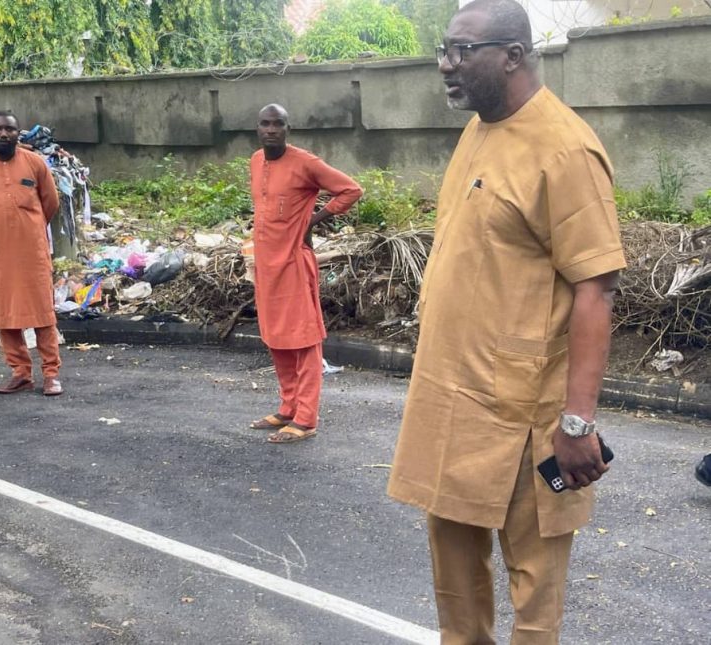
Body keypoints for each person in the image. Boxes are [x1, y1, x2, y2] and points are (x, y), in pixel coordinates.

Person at [387, 1, 627, 642]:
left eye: (462, 51)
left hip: (527, 416)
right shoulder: (480, 127)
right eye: (444, 49)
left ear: (513, 56)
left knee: (534, 593)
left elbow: (596, 289)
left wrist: (576, 423)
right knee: (454, 579)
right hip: (454, 403)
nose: (446, 65)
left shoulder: (565, 149)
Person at [248, 104, 362, 444]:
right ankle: (288, 407)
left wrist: (313, 221)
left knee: (304, 339)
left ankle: (306, 418)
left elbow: (351, 190)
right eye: (265, 124)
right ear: (258, 128)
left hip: (295, 263)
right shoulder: (256, 161)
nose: (271, 130)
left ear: (287, 128)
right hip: (266, 265)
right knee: (275, 336)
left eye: (277, 124)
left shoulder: (306, 163)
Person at [0, 111, 64, 396]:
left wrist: (28, 226)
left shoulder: (34, 163)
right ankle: (20, 373)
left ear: (18, 133)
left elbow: (50, 202)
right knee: (5, 314)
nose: (3, 134)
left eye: (9, 129)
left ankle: (51, 374)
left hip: (32, 250)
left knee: (42, 313)